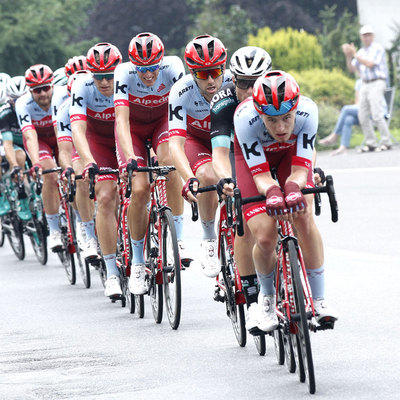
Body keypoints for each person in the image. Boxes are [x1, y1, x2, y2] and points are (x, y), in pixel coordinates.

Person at [233, 70, 337, 330]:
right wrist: (272, 193)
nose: (280, 128)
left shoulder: (308, 111)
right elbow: (261, 176)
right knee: (266, 235)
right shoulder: (245, 119)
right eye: (271, 120)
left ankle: (319, 299)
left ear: (296, 109)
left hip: (290, 157)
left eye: (287, 118)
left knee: (303, 215)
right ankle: (266, 299)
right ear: (260, 114)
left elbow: (302, 169)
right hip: (255, 166)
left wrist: (291, 188)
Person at [210, 46, 277, 333]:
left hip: (272, 152)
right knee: (244, 222)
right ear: (233, 80)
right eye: (242, 84)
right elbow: (220, 153)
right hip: (238, 155)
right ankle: (251, 300)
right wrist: (226, 180)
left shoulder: (278, 91)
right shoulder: (224, 102)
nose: (249, 91)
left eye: (255, 82)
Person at [114, 32, 187, 295]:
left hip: (161, 124)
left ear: (161, 61)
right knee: (141, 187)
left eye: (152, 68)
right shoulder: (123, 74)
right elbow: (121, 120)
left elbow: (182, 111)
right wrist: (130, 158)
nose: (147, 74)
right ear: (134, 66)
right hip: (133, 129)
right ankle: (136, 260)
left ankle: (177, 239)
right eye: (142, 70)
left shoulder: (174, 67)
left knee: (169, 165)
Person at [168, 34, 232, 278]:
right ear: (192, 73)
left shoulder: (234, 85)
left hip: (226, 141)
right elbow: (175, 144)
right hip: (198, 141)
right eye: (203, 74)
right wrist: (187, 179)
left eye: (216, 71)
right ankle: (208, 239)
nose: (211, 79)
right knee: (206, 174)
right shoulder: (181, 91)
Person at [70, 42, 123, 298]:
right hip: (98, 143)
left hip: (124, 139)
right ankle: (112, 272)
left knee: (142, 188)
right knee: (104, 196)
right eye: (98, 76)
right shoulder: (82, 87)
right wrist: (88, 160)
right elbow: (78, 130)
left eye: (109, 76)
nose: (104, 82)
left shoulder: (127, 81)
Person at [15, 64, 68, 250]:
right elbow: (30, 135)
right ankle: (53, 229)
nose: (43, 94)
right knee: (50, 174)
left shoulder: (63, 94)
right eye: (37, 90)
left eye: (46, 88)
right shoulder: (22, 104)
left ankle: (80, 221)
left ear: (52, 86)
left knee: (71, 169)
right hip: (40, 140)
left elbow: (61, 128)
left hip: (61, 134)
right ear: (30, 91)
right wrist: (36, 163)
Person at [55, 70, 97, 260]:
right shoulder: (65, 110)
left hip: (101, 143)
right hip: (78, 148)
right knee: (80, 176)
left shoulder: (103, 100)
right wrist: (68, 169)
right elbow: (64, 150)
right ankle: (88, 232)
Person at [342, 25, 392, 152]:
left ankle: (386, 141)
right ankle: (371, 143)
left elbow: (369, 64)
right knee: (362, 114)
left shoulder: (377, 48)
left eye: (369, 35)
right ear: (361, 37)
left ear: (373, 36)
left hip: (377, 82)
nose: (367, 37)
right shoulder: (361, 52)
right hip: (364, 83)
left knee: (376, 113)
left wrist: (354, 54)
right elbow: (352, 69)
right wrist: (348, 56)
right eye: (364, 35)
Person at [0, 76, 30, 219]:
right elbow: (7, 144)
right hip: (14, 144)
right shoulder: (5, 114)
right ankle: (20, 195)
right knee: (18, 158)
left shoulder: (34, 108)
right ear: (9, 100)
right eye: (15, 100)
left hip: (33, 143)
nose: (19, 103)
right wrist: (14, 166)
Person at [318, 79, 361, 155]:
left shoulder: (373, 81)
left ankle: (335, 135)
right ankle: (343, 147)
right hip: (361, 112)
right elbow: (357, 102)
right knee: (348, 119)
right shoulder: (359, 82)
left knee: (346, 109)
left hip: (372, 113)